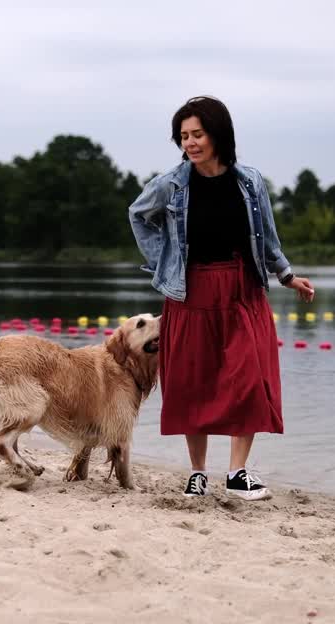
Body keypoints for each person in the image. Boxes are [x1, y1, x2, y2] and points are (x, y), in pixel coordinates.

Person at [128, 95, 315, 501]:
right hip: (189, 292)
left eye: (197, 134)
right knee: (192, 381)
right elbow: (138, 215)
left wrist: (287, 275)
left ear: (218, 134)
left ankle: (237, 472)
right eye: (183, 136)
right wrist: (164, 260)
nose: (189, 143)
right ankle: (198, 473)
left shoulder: (248, 181)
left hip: (241, 290)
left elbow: (266, 235)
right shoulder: (171, 184)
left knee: (248, 378)